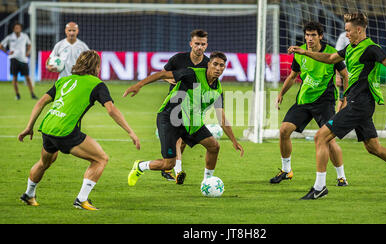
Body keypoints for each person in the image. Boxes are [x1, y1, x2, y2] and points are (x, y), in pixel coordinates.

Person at [288, 12, 386, 200]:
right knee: (373, 147)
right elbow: (330, 58)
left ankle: (319, 187)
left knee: (320, 137)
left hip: (359, 104)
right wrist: (305, 52)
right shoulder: (350, 48)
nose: (346, 33)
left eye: (348, 30)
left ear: (358, 30)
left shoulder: (371, 48)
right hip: (360, 105)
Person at [18, 50, 140, 210]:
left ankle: (28, 194)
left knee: (44, 162)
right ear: (96, 66)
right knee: (100, 159)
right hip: (65, 131)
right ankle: (81, 199)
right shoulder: (97, 84)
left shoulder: (64, 80)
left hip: (48, 127)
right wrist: (130, 132)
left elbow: (41, 102)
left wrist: (29, 127)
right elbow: (111, 110)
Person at [124, 51, 244, 187]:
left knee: (214, 146)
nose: (218, 68)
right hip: (169, 118)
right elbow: (162, 74)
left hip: (191, 122)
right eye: (215, 64)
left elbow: (221, 117)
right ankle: (140, 166)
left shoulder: (217, 90)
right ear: (208, 64)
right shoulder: (192, 74)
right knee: (169, 164)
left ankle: (207, 181)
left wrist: (234, 140)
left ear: (224, 68)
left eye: (221, 66)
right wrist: (139, 85)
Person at [271, 21, 349, 187]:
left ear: (320, 36)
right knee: (284, 130)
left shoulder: (331, 52)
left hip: (325, 102)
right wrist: (281, 93)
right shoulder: (300, 53)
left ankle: (341, 176)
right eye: (307, 35)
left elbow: (344, 75)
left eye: (313, 35)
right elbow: (293, 76)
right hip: (304, 101)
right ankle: (286, 170)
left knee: (329, 140)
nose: (309, 38)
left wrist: (346, 97)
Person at [159, 29, 210, 184]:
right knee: (177, 139)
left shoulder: (208, 64)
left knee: (183, 141)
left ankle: (168, 168)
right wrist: (170, 81)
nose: (199, 47)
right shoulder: (178, 59)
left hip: (193, 107)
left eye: (202, 44)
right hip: (175, 104)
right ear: (191, 44)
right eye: (197, 44)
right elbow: (163, 74)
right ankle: (177, 170)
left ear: (206, 45)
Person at [0, 22, 37, 100]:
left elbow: (29, 44)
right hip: (14, 59)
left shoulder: (25, 36)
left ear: (21, 29)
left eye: (19, 28)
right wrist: (7, 52)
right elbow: (1, 45)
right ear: (13, 29)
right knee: (14, 77)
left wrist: (27, 52)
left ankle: (32, 94)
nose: (17, 29)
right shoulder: (10, 37)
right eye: (16, 28)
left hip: (23, 59)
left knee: (27, 77)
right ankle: (17, 95)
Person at [334, 31, 349, 111]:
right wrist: (337, 76)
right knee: (342, 100)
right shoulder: (343, 36)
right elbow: (337, 57)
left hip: (356, 75)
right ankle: (337, 122)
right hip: (344, 73)